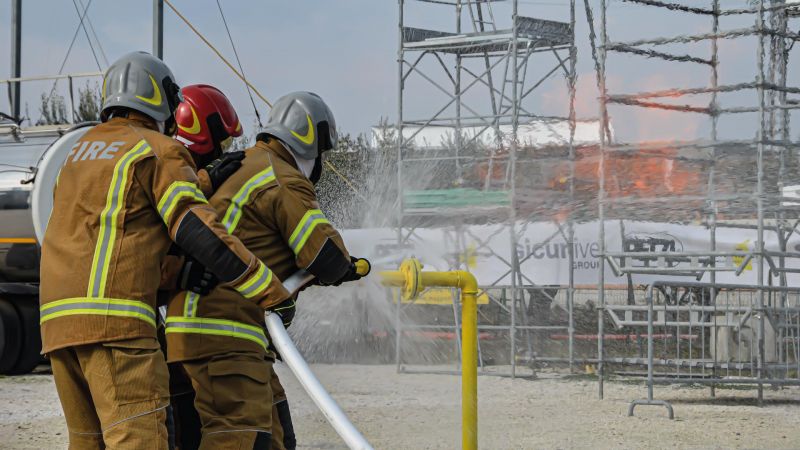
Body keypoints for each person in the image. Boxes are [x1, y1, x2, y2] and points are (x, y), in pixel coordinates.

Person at [39, 51, 289, 449]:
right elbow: (194, 227)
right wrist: (270, 291)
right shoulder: (157, 147)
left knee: (88, 442)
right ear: (162, 97)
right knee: (139, 439)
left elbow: (114, 229)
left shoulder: (77, 155)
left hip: (58, 328)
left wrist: (201, 180)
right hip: (116, 329)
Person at [166, 91, 370, 450]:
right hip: (222, 333)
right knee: (239, 438)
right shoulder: (283, 177)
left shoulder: (245, 164)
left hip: (211, 332)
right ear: (311, 145)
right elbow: (325, 255)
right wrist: (350, 266)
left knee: (275, 434)